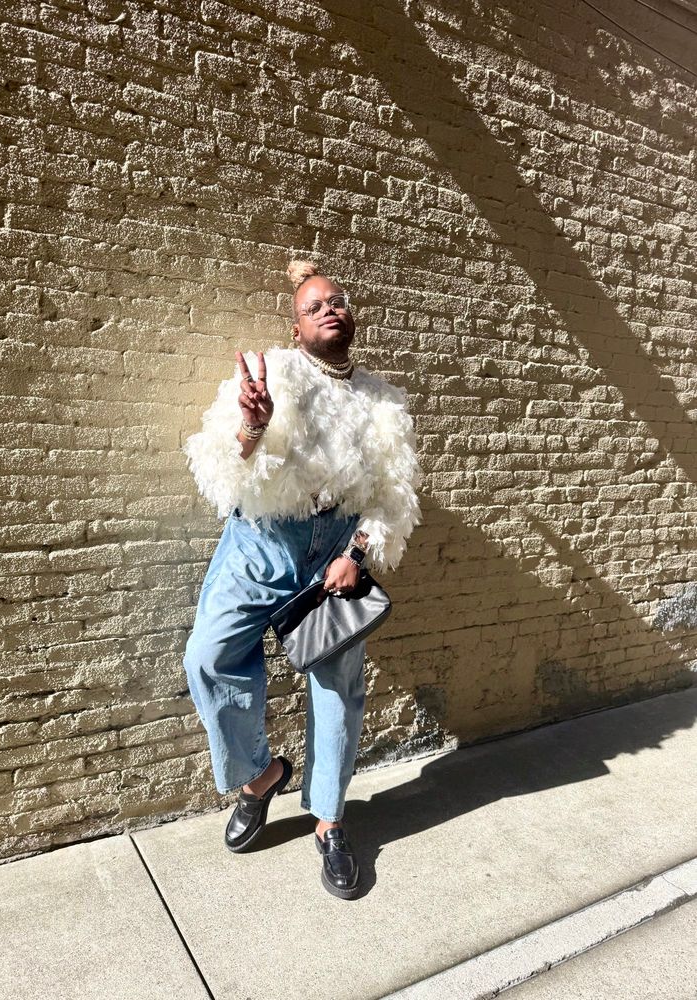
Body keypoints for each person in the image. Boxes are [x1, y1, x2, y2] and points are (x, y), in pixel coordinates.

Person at [181, 259, 422, 899]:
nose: (328, 309)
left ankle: (330, 822)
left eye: (336, 301)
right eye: (314, 306)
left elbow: (394, 494)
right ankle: (260, 778)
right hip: (263, 538)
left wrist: (358, 554)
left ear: (351, 316)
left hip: (335, 551)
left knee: (338, 686)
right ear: (296, 328)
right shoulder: (272, 374)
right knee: (208, 656)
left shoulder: (383, 401)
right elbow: (219, 465)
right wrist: (252, 427)